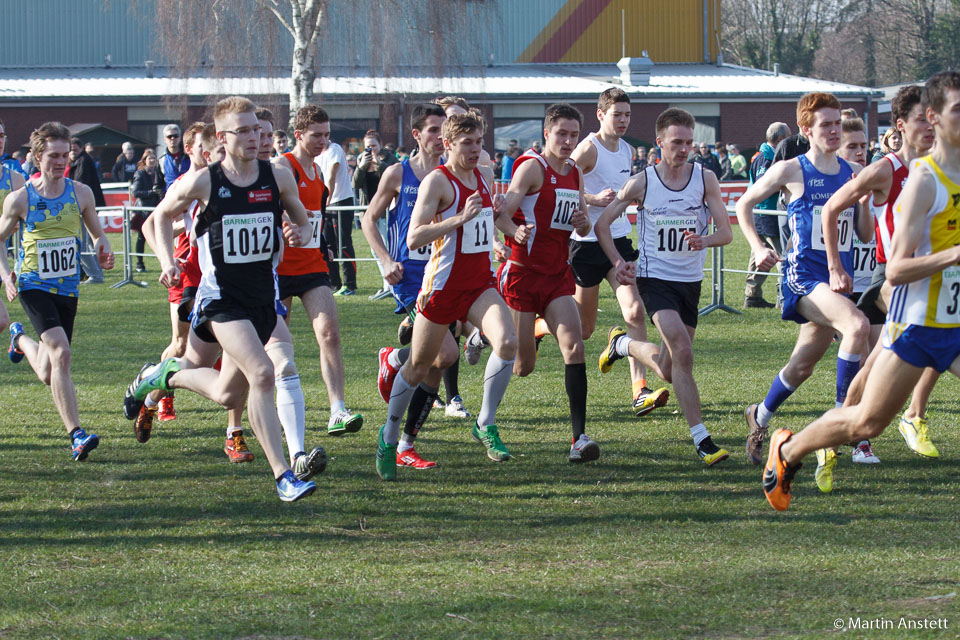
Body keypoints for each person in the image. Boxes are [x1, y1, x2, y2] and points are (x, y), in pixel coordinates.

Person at [762, 71, 960, 511]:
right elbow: (897, 268)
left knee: (860, 396)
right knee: (866, 422)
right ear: (931, 118)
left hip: (952, 317)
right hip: (914, 320)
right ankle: (789, 450)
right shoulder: (920, 179)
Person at [124, 96, 318, 501]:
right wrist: (167, 261)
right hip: (220, 301)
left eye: (257, 130)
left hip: (261, 300)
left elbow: (303, 221)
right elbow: (158, 218)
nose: (254, 137)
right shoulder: (205, 181)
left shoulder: (277, 176)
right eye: (243, 131)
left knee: (228, 393)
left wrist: (298, 232)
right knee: (263, 373)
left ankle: (163, 375)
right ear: (222, 137)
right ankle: (284, 476)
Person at [811, 85, 939, 494]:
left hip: (934, 280)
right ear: (900, 125)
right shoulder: (885, 170)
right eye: (921, 119)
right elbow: (831, 208)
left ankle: (827, 438)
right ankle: (902, 419)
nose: (931, 126)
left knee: (873, 371)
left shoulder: (941, 167)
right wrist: (835, 266)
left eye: (934, 118)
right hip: (896, 280)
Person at [375, 112, 518, 480]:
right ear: (448, 144)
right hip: (441, 287)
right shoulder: (437, 182)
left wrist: (507, 231)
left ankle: (485, 423)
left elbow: (487, 218)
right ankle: (389, 437)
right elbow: (414, 237)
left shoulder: (484, 175)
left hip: (479, 284)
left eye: (479, 142)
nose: (475, 149)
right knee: (419, 367)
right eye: (467, 143)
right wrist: (458, 219)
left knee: (507, 341)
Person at [737, 92, 874, 468]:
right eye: (825, 124)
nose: (834, 130)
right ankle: (838, 425)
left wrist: (863, 204)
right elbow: (744, 204)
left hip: (836, 281)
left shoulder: (852, 171)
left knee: (802, 366)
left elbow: (863, 234)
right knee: (857, 326)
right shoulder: (791, 170)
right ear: (806, 130)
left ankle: (758, 415)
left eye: (837, 124)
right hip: (803, 277)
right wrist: (758, 246)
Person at [596, 107, 733, 465]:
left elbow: (726, 232)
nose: (684, 149)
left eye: (689, 142)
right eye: (677, 142)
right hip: (654, 280)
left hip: (690, 283)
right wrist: (618, 262)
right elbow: (603, 223)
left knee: (671, 370)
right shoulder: (642, 182)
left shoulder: (705, 179)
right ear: (659, 143)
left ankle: (622, 344)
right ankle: (702, 440)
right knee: (683, 352)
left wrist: (705, 240)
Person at [0, 121, 115, 461]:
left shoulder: (81, 193)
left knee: (49, 371)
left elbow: (97, 234)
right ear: (38, 157)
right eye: (53, 156)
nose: (61, 162)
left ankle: (20, 340)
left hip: (67, 287)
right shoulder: (20, 199)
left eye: (66, 155)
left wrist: (103, 247)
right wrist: (6, 275)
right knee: (62, 353)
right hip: (33, 285)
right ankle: (76, 434)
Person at [496, 103, 598, 461]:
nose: (568, 142)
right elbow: (502, 215)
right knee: (523, 367)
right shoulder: (531, 167)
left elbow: (582, 225)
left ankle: (578, 439)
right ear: (546, 134)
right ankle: (484, 334)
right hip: (522, 274)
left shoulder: (575, 172)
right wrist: (515, 231)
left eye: (574, 135)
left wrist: (583, 223)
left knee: (575, 346)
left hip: (556, 276)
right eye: (562, 134)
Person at [363, 103, 461, 468]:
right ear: (417, 135)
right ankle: (394, 363)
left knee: (434, 364)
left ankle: (406, 444)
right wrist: (386, 261)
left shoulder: (453, 172)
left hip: (446, 273)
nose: (440, 136)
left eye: (444, 129)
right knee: (445, 354)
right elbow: (369, 219)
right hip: (410, 277)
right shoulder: (397, 173)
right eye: (433, 129)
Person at [568, 87, 667, 417]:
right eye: (617, 114)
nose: (623, 120)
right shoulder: (588, 148)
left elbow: (622, 194)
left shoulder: (626, 150)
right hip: (585, 244)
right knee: (583, 330)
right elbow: (563, 183)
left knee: (635, 311)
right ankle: (540, 326)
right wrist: (593, 200)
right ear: (600, 115)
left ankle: (640, 391)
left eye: (627, 115)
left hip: (618, 240)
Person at [273, 104, 365, 438]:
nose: (323, 141)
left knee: (330, 334)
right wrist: (285, 223)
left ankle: (337, 410)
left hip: (312, 266)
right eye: (316, 135)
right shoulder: (283, 166)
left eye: (327, 135)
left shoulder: (319, 169)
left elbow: (315, 215)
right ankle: (275, 410)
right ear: (298, 134)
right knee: (277, 348)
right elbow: (267, 205)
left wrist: (323, 243)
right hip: (279, 269)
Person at [744, 122, 790, 308]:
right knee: (781, 255)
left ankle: (752, 295)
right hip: (768, 213)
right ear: (780, 139)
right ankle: (783, 296)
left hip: (760, 212)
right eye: (788, 138)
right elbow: (764, 185)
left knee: (759, 254)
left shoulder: (762, 156)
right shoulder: (767, 158)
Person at [317, 126, 357, 296]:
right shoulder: (317, 154)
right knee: (328, 245)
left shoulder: (334, 149)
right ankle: (333, 283)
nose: (322, 139)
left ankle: (349, 285)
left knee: (343, 243)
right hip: (327, 203)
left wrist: (327, 198)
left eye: (325, 135)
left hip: (340, 200)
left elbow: (331, 177)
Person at [353, 129, 392, 300]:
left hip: (386, 211)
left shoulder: (390, 159)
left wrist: (379, 164)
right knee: (375, 250)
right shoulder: (361, 160)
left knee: (388, 247)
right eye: (367, 147)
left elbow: (394, 178)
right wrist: (362, 167)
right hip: (368, 212)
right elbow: (355, 184)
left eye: (374, 146)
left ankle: (392, 285)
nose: (371, 150)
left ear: (380, 145)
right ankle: (386, 284)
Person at [68, 137, 106, 284]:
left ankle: (95, 274)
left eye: (75, 150)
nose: (72, 152)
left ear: (81, 149)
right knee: (88, 241)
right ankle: (93, 273)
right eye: (70, 150)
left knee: (84, 242)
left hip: (85, 206)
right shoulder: (81, 160)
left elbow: (79, 183)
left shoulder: (83, 161)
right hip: (88, 204)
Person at [130, 149, 161, 273]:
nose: (152, 160)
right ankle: (140, 263)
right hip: (143, 210)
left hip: (157, 208)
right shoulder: (140, 174)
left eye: (154, 158)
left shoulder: (158, 172)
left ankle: (163, 262)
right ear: (144, 161)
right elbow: (135, 192)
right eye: (150, 158)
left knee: (161, 236)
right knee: (142, 237)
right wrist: (151, 192)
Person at [155, 124, 190, 197]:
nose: (173, 138)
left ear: (180, 138)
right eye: (169, 136)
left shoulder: (189, 156)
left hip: (189, 197)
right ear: (165, 139)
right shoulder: (161, 160)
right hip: (171, 198)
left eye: (175, 136)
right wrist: (164, 197)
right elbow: (158, 185)